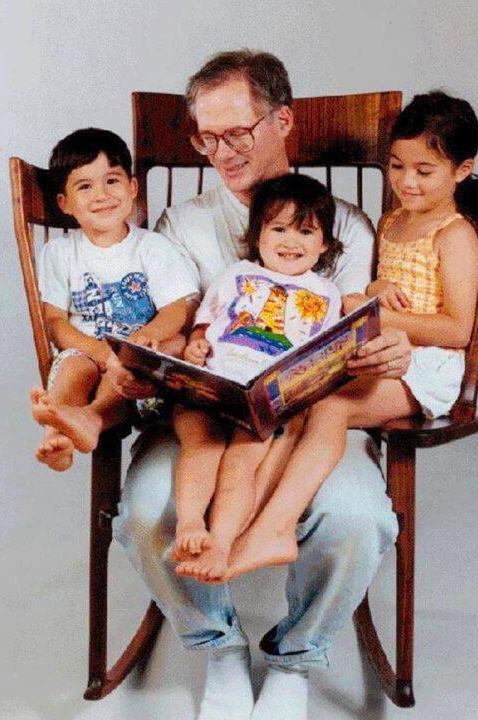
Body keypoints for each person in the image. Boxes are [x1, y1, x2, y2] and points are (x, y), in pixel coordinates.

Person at [111, 50, 412, 720]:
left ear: (283, 121)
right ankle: (218, 645)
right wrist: (157, 355)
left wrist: (384, 349)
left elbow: (361, 327)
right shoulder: (180, 225)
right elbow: (169, 324)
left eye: (238, 133)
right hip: (201, 424)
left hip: (307, 427)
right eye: (207, 137)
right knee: (145, 513)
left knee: (358, 520)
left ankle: (297, 658)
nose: (221, 152)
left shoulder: (347, 231)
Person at [225, 92, 478, 583]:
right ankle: (248, 518)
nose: (407, 182)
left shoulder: (455, 235)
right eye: (397, 166)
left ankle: (274, 526)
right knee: (297, 397)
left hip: (432, 367)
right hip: (384, 352)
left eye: (424, 171)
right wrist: (378, 290)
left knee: (328, 405)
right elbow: (383, 287)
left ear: (462, 170)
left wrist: (377, 311)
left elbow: (458, 329)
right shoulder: (392, 221)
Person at [171, 174, 343, 583]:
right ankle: (190, 523)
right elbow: (204, 324)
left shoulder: (325, 294)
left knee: (240, 464)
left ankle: (221, 545)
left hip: (265, 402)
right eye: (278, 228)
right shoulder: (235, 275)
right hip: (210, 386)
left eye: (305, 231)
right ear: (257, 236)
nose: (290, 241)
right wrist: (195, 344)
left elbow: (322, 357)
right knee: (202, 444)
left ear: (324, 245)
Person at [28, 128, 199, 471]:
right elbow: (55, 322)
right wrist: (100, 352)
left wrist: (140, 341)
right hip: (86, 353)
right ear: (64, 203)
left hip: (140, 369)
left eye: (112, 180)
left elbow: (175, 308)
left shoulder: (152, 247)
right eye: (85, 186)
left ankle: (91, 418)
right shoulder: (60, 253)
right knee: (74, 365)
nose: (101, 195)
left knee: (147, 357)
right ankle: (56, 439)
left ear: (132, 188)